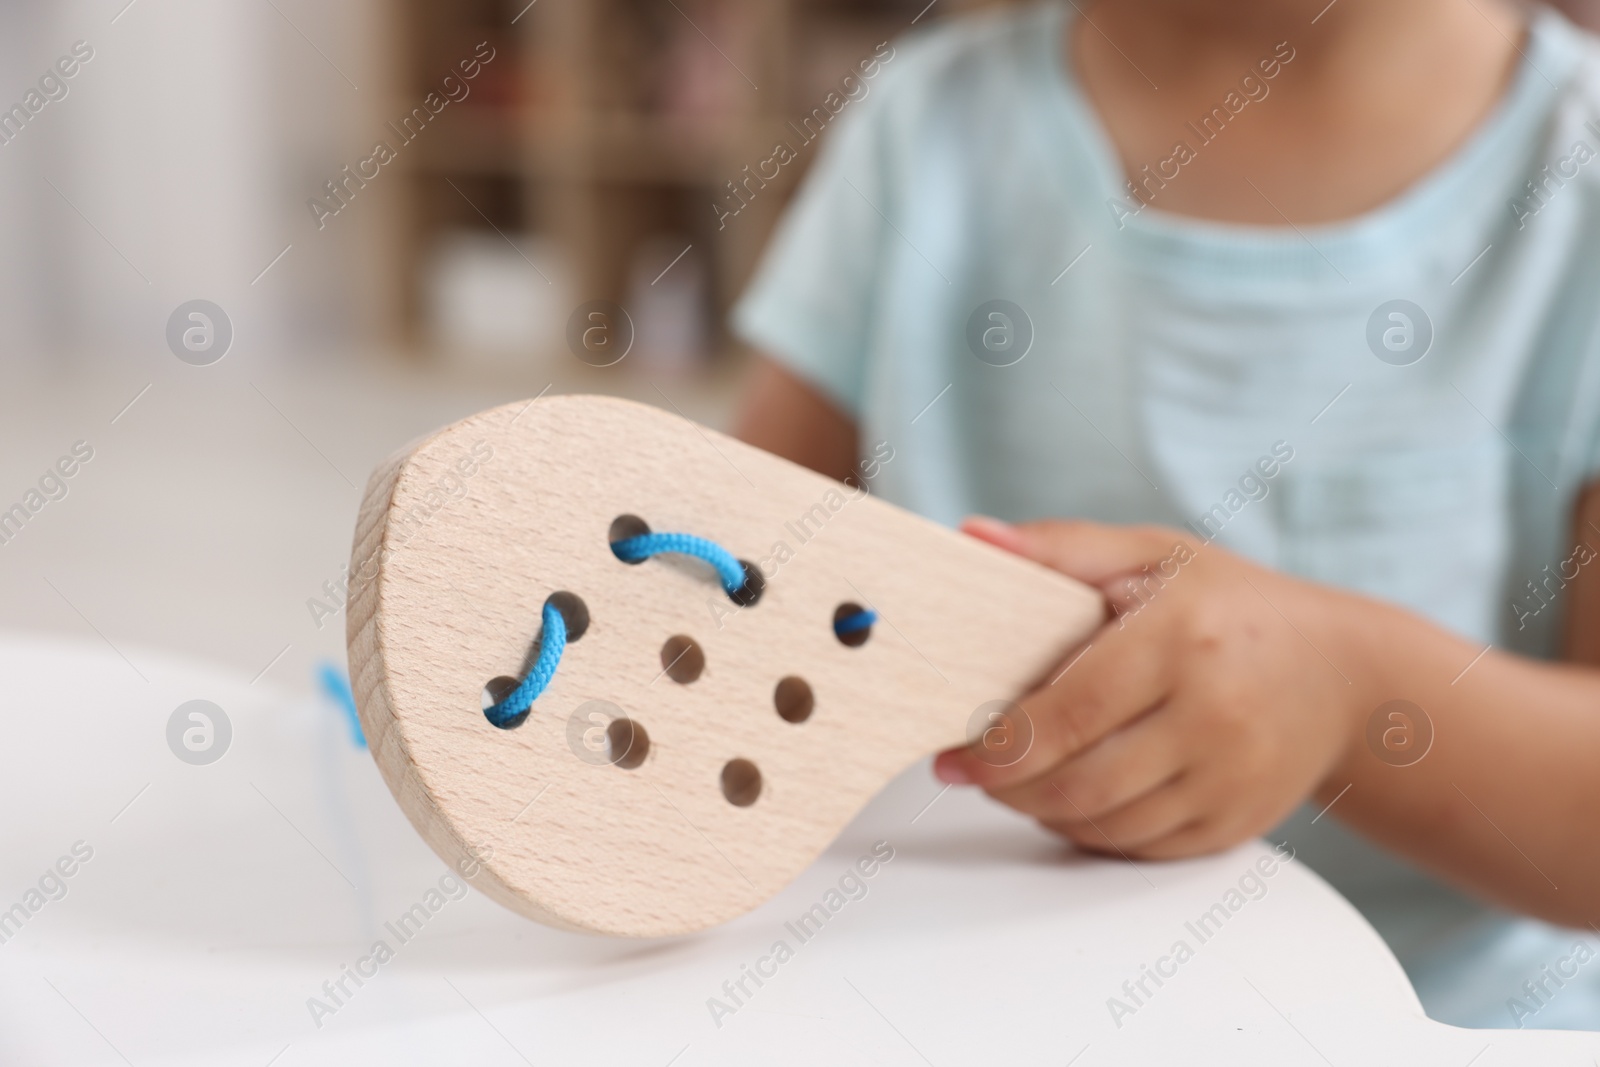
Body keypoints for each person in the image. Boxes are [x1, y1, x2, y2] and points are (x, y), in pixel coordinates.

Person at [728, 0, 1600, 1029]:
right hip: (944, 999)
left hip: (1440, 1023)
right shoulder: (922, 126)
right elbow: (730, 582)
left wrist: (1349, 694)